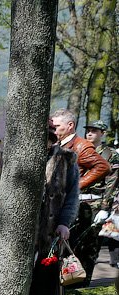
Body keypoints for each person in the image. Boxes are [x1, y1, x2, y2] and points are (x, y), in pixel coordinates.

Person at [28, 129, 79, 295]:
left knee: (49, 278)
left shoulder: (66, 161)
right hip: (25, 233)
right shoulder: (22, 156)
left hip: (52, 229)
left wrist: (65, 223)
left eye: (49, 138)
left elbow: (72, 197)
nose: (46, 143)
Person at [51, 109, 110, 285]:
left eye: (57, 126)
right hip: (65, 204)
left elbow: (102, 166)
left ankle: (78, 289)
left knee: (81, 251)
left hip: (83, 206)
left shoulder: (81, 145)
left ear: (70, 126)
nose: (54, 129)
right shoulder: (60, 144)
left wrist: (76, 185)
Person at [85, 120, 119, 267]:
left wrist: (105, 208)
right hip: (76, 201)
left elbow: (112, 183)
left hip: (96, 203)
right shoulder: (80, 150)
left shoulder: (109, 154)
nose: (90, 133)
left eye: (94, 130)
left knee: (90, 246)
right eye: (88, 130)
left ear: (102, 133)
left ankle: (83, 283)